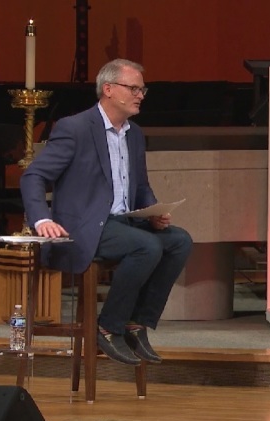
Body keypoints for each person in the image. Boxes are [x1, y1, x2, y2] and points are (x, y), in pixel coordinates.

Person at [20, 59, 193, 366]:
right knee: (147, 246)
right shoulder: (74, 128)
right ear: (109, 90)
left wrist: (153, 211)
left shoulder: (134, 133)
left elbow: (141, 186)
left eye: (143, 89)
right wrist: (42, 219)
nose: (141, 95)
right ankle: (106, 326)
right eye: (134, 88)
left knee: (179, 240)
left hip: (124, 222)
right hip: (87, 226)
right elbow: (33, 176)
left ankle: (136, 324)